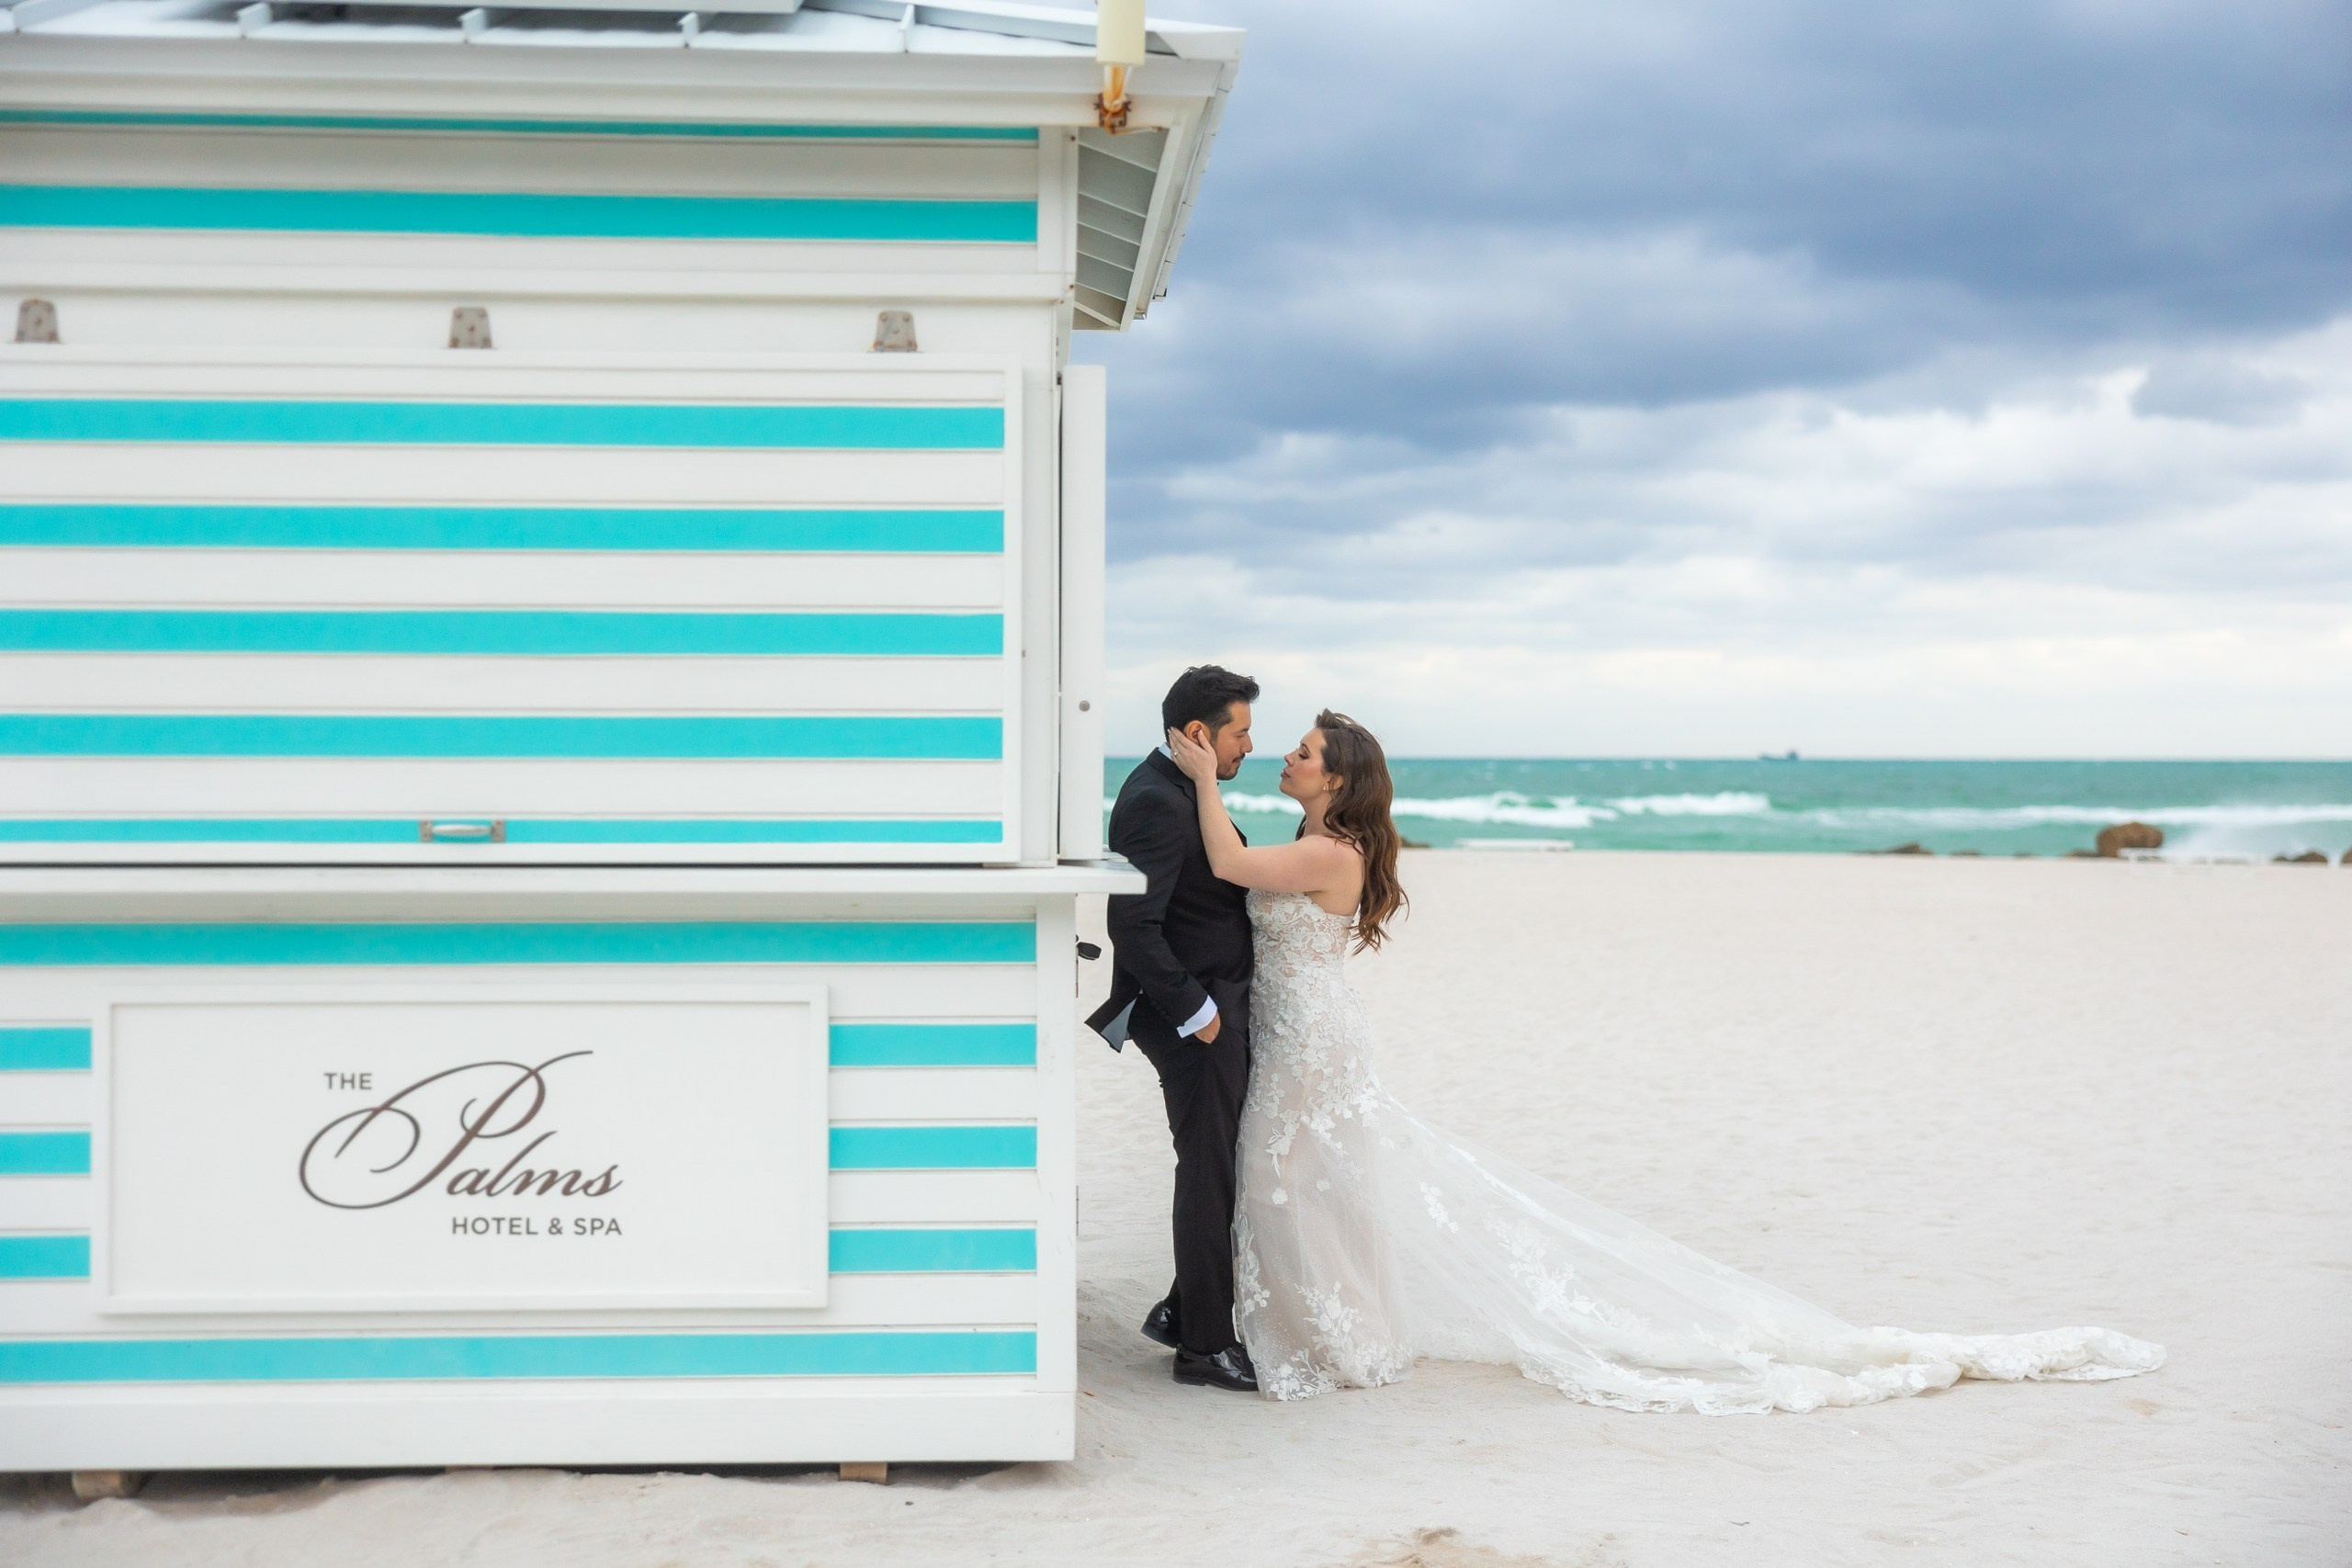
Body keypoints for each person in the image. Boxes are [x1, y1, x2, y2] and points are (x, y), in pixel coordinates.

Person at [1164, 710, 2165, 1410]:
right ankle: (1324, 1332)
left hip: (1314, 1036)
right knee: (1307, 1181)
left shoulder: (1326, 852)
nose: (1287, 756)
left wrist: (1204, 777)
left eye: (1300, 750)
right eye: (1288, 747)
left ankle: (1325, 1342)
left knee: (1288, 1177)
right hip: (1306, 1025)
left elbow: (1226, 866)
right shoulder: (1319, 836)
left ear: (1336, 778)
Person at [1089, 665, 1262, 1392]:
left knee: (1220, 1163)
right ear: (1198, 733)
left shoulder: (1181, 786)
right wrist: (1199, 1014)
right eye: (1239, 732)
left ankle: (1181, 1308)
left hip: (1212, 1007)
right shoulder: (1155, 800)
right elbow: (1131, 920)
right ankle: (1203, 1346)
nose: (1249, 745)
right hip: (1194, 1019)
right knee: (1207, 1170)